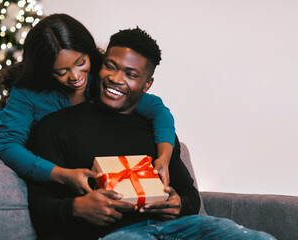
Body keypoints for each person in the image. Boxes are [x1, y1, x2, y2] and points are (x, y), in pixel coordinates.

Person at [26, 27, 276, 240]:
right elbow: (39, 207)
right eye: (110, 67)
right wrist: (77, 208)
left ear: (147, 84)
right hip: (115, 234)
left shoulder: (156, 131)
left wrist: (177, 204)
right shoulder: (55, 126)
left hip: (178, 228)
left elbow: (188, 195)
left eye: (131, 74)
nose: (115, 78)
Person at [0, 13, 175, 192]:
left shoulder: (101, 77)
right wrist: (61, 174)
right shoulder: (27, 90)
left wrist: (163, 158)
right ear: (45, 70)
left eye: (80, 62)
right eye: (62, 71)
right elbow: (8, 144)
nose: (76, 76)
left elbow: (156, 109)